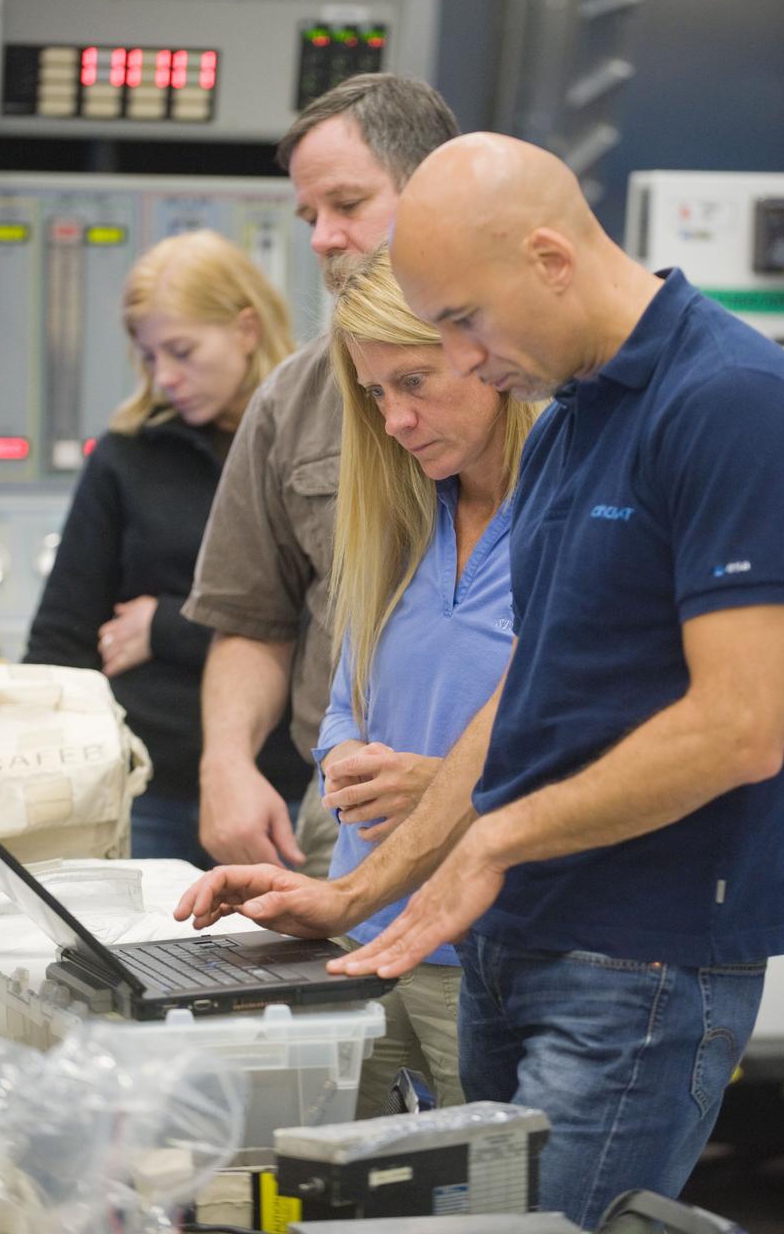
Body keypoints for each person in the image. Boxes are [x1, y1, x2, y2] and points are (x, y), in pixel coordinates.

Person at [174, 135, 784, 1226]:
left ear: (548, 259)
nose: (466, 364)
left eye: (464, 322)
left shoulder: (732, 403)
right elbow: (531, 687)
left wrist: (495, 836)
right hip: (512, 947)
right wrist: (359, 893)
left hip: (638, 960)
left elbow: (739, 725)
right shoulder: (571, 423)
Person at [183, 74, 459, 877]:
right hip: (344, 809)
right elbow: (250, 614)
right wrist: (226, 765)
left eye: (346, 204)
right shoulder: (294, 398)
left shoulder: (539, 377)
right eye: (308, 215)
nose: (320, 238)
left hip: (513, 802)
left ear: (434, 189)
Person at [317, 245, 537, 1112]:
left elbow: (590, 738)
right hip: (362, 942)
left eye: (413, 381)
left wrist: (439, 787)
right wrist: (345, 764)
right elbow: (346, 703)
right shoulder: (407, 513)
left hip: (481, 956)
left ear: (486, 358)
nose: (395, 420)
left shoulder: (567, 519)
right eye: (375, 394)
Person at [24, 229, 309, 868]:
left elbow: (330, 625)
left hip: (281, 791)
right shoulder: (127, 455)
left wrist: (168, 625)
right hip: (146, 793)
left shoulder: (313, 446)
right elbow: (60, 641)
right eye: (150, 356)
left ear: (246, 328)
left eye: (182, 350)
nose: (167, 377)